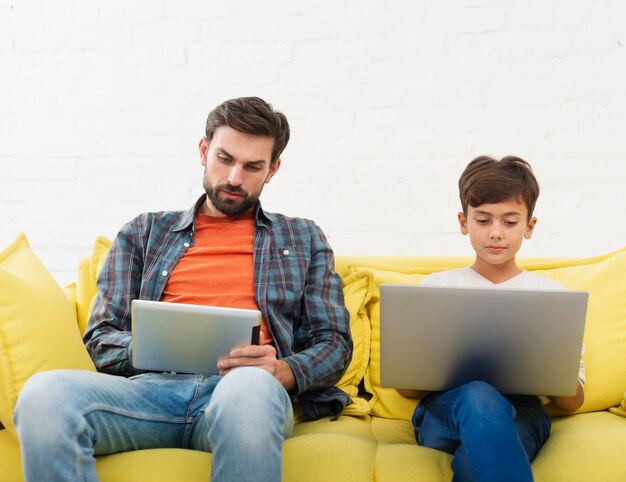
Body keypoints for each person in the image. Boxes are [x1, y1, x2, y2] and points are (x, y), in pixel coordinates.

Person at [13, 96, 353, 482]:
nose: (234, 178)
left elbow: (335, 342)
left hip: (246, 393)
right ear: (204, 150)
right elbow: (100, 339)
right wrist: (155, 344)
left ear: (272, 169)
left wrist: (282, 371)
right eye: (225, 158)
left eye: (252, 166)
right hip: (148, 394)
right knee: (43, 396)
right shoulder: (144, 232)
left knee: (249, 391)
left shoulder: (303, 236)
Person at [398, 156, 585, 482]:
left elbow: (572, 402)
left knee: (485, 451)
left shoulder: (550, 295)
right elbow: (406, 389)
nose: (496, 233)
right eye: (483, 221)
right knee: (479, 396)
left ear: (529, 227)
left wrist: (551, 365)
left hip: (522, 412)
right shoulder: (437, 287)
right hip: (446, 408)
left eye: (510, 223)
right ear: (463, 222)